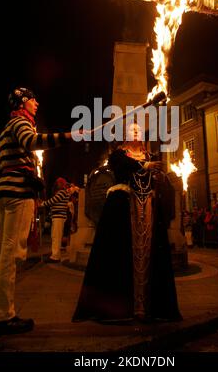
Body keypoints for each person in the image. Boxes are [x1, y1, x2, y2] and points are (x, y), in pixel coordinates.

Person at [0, 87, 81, 335]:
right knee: (11, 253)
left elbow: (5, 166)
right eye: (32, 99)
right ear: (23, 102)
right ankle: (2, 315)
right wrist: (69, 136)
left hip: (4, 195)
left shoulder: (5, 129)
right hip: (17, 196)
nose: (37, 102)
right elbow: (32, 142)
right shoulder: (21, 122)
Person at [73, 123, 182, 323]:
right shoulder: (118, 155)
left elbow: (152, 179)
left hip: (148, 207)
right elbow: (121, 166)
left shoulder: (149, 156)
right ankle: (120, 307)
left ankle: (151, 307)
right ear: (125, 135)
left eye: (138, 131)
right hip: (124, 207)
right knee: (121, 251)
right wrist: (144, 167)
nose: (135, 132)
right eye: (131, 130)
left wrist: (156, 175)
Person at [41, 178, 79, 262]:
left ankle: (55, 257)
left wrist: (42, 203)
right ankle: (55, 255)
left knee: (56, 237)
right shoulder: (65, 192)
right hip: (59, 216)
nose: (56, 183)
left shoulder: (62, 192)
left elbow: (52, 201)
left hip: (58, 216)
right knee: (55, 236)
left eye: (58, 182)